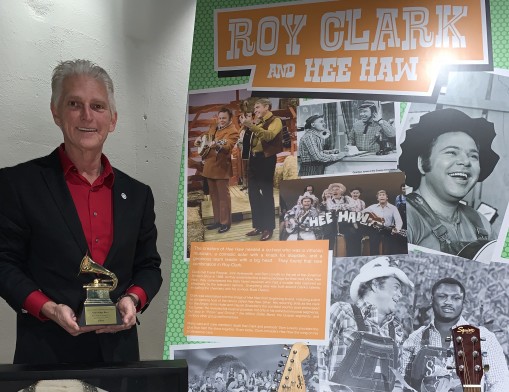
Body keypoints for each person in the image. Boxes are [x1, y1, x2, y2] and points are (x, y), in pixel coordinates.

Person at [0, 60, 163, 365]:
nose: (87, 116)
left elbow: (149, 266)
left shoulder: (138, 195)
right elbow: (4, 265)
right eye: (75, 104)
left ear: (112, 120)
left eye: (98, 106)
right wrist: (48, 308)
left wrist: (133, 300)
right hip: (46, 355)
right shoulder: (17, 184)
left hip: (119, 360)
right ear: (56, 112)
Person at [399, 108, 499, 255]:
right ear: (422, 163)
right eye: (451, 152)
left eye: (473, 156)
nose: (465, 161)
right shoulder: (402, 217)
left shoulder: (481, 223)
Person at [397, 277, 509, 392]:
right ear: (432, 299)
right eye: (442, 296)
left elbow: (500, 384)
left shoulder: (483, 338)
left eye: (456, 298)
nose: (448, 302)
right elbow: (401, 383)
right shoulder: (416, 338)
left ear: (463, 302)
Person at [319, 257, 414, 392]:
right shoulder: (342, 311)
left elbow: (397, 380)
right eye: (396, 287)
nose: (400, 294)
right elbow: (319, 355)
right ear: (375, 285)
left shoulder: (396, 329)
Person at [242, 98, 283, 241]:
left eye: (257, 107)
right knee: (253, 193)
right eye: (254, 109)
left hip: (266, 160)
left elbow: (269, 136)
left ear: (267, 106)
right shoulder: (258, 122)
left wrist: (251, 126)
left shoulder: (276, 120)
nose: (255, 110)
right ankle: (258, 226)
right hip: (254, 160)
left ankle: (268, 228)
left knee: (266, 194)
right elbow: (253, 141)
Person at [195, 107, 239, 233]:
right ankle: (217, 221)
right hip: (209, 166)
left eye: (224, 118)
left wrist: (218, 144)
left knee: (223, 197)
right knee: (214, 196)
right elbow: (206, 135)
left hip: (221, 167)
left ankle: (225, 223)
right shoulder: (214, 127)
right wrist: (199, 139)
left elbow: (228, 145)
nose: (221, 120)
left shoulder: (233, 131)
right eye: (219, 118)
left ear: (230, 118)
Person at [362, 189, 404, 255]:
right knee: (373, 246)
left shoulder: (393, 208)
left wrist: (397, 229)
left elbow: (399, 221)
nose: (382, 196)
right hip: (375, 230)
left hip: (388, 230)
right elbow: (361, 214)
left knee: (391, 247)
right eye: (380, 195)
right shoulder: (372, 207)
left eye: (383, 195)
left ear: (387, 197)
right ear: (377, 198)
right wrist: (368, 220)